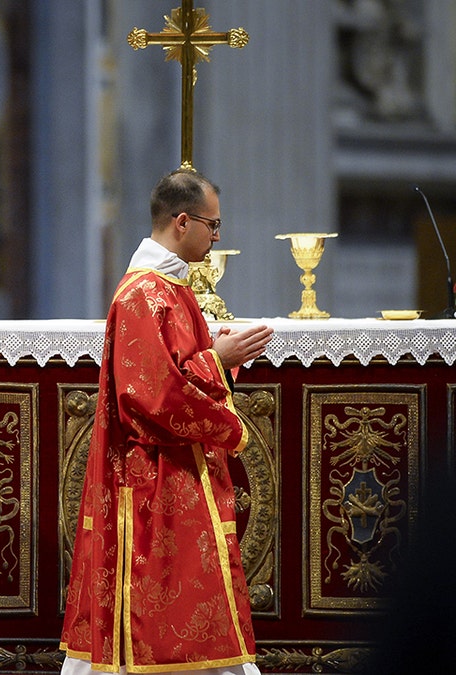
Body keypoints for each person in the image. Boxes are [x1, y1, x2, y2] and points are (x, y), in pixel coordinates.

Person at [60, 169, 274, 675]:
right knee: (160, 616)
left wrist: (215, 356)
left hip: (179, 470)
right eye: (212, 225)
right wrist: (217, 360)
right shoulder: (143, 294)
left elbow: (174, 369)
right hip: (151, 478)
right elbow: (150, 400)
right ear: (182, 222)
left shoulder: (172, 287)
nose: (216, 237)